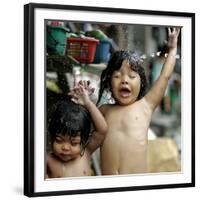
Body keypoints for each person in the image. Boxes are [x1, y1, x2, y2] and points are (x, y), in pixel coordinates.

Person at [96, 27, 180, 175]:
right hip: (107, 185)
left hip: (136, 183)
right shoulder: (104, 110)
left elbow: (165, 77)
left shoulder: (145, 106)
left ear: (141, 83)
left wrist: (172, 50)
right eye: (117, 76)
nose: (124, 81)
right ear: (109, 82)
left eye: (132, 76)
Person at [46, 81, 107, 178]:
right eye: (59, 140)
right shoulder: (47, 161)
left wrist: (88, 103)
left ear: (83, 141)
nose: (65, 147)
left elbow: (102, 130)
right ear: (52, 137)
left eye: (74, 143)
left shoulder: (85, 153)